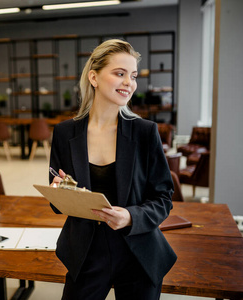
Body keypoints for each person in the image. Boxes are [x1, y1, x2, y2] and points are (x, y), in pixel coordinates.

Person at [49, 39, 177, 300]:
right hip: (86, 252)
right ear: (94, 77)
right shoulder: (65, 133)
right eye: (119, 74)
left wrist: (130, 216)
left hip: (138, 251)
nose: (129, 83)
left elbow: (163, 199)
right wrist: (62, 192)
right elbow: (56, 199)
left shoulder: (145, 132)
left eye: (133, 76)